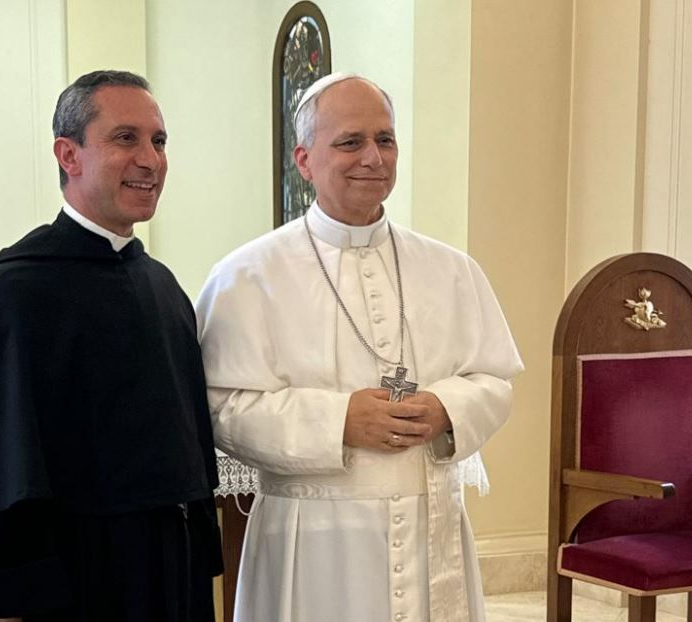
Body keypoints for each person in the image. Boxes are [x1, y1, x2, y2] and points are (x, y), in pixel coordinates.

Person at [195, 73, 523, 622]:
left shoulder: (450, 268)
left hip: (430, 528)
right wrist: (339, 419)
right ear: (304, 160)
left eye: (385, 140)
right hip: (312, 539)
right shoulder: (247, 275)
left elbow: (494, 380)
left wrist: (447, 407)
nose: (372, 157)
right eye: (350, 142)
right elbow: (222, 407)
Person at [0, 70, 222, 622]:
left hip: (167, 574)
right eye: (126, 138)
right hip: (66, 580)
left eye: (159, 140)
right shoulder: (15, 291)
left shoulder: (164, 288)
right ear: (68, 155)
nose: (151, 159)